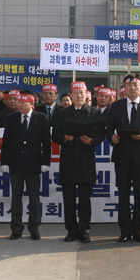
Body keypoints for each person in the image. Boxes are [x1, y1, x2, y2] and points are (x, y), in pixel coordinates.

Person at [105, 73, 140, 243]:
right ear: (124, 88)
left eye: (136, 85)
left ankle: (139, 230)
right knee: (123, 195)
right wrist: (111, 137)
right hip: (122, 156)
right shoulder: (116, 106)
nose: (132, 88)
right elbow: (108, 128)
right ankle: (125, 231)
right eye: (129, 85)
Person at [52, 81, 103, 243]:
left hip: (86, 160)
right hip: (68, 159)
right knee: (68, 199)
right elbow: (55, 135)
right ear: (71, 95)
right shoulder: (62, 113)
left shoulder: (94, 113)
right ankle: (71, 230)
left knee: (84, 200)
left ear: (87, 94)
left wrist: (92, 141)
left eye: (82, 93)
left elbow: (101, 135)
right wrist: (64, 137)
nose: (79, 95)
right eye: (76, 93)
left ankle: (84, 229)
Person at [0, 91, 51, 240]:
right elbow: (6, 142)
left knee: (34, 197)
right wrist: (4, 162)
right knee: (16, 197)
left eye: (23, 102)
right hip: (15, 163)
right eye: (18, 102)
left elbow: (46, 143)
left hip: (33, 163)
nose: (19, 105)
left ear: (31, 104)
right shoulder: (12, 118)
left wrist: (45, 162)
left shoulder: (41, 118)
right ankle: (16, 229)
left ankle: (34, 228)